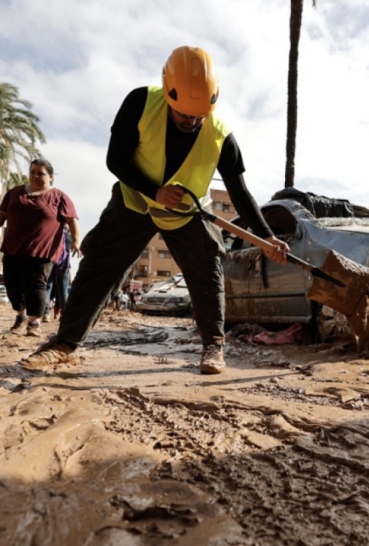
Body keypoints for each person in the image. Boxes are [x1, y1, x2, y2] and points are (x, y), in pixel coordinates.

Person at [22, 45, 289, 374]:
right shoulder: (140, 103)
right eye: (183, 115)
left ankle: (213, 347)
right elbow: (115, 160)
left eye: (198, 117)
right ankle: (64, 344)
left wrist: (268, 236)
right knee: (100, 267)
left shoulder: (221, 137)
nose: (191, 122)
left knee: (208, 267)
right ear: (167, 92)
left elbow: (241, 193)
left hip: (188, 213)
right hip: (134, 201)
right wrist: (154, 191)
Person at [0, 158, 81, 337]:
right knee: (12, 284)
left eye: (41, 173)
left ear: (50, 177)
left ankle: (34, 322)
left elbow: (72, 221)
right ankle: (20, 316)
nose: (36, 176)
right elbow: (2, 216)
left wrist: (76, 241)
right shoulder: (14, 193)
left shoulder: (59, 197)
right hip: (13, 248)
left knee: (36, 284)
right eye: (33, 172)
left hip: (42, 250)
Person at [43, 225, 73, 322]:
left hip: (50, 262)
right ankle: (65, 314)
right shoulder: (69, 237)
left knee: (48, 288)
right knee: (63, 291)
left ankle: (46, 314)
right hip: (63, 265)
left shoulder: (52, 235)